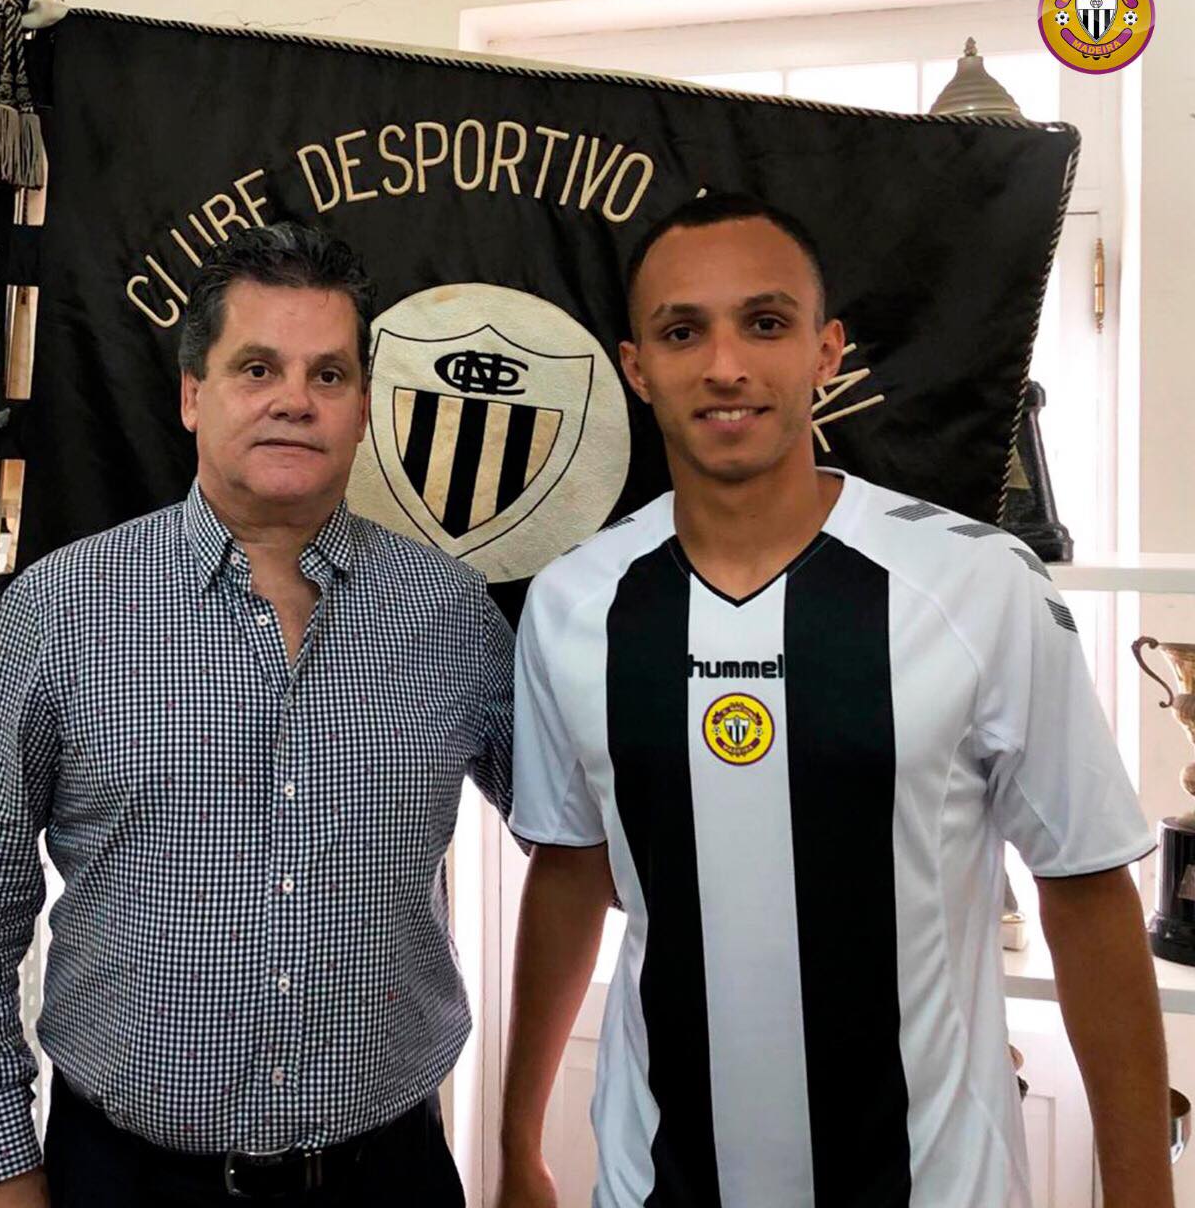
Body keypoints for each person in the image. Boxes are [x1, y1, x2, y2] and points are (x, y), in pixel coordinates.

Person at [496, 192, 1173, 1208]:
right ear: (636, 367)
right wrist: (518, 1146)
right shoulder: (572, 604)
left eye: (764, 323)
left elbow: (1083, 890)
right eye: (683, 332)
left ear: (826, 350)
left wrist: (1140, 1191)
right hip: (655, 1186)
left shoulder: (979, 585)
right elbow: (567, 868)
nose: (725, 364)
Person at [0, 223, 513, 1207]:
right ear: (194, 393)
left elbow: (581, 831)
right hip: (126, 1178)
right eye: (257, 367)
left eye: (328, 374)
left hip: (389, 1175)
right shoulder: (63, 610)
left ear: (363, 408)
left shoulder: (450, 614)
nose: (294, 399)